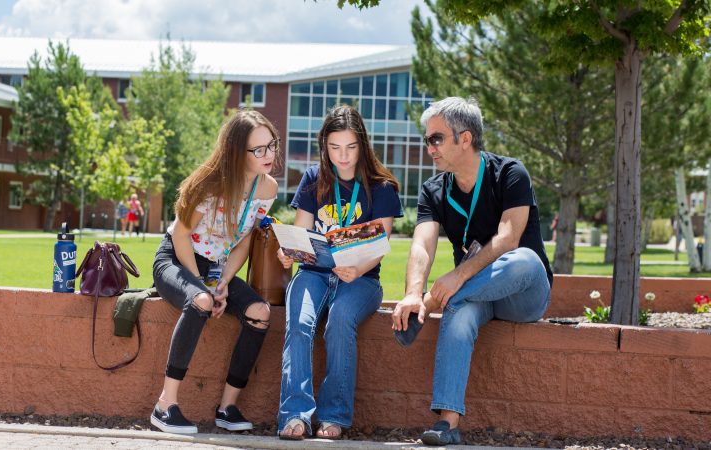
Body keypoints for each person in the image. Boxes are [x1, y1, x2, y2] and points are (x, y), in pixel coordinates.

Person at [391, 97, 553, 446]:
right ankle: (447, 424)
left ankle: (432, 307)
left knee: (524, 258)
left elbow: (509, 238)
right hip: (476, 294)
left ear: (465, 139)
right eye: (427, 139)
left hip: (521, 292)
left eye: (436, 138)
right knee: (460, 312)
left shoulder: (510, 173)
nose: (429, 147)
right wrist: (411, 293)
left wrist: (438, 292)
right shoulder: (434, 190)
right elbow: (422, 244)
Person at [276, 105, 403, 440]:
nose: (342, 157)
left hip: (361, 279)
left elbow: (380, 245)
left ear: (362, 144)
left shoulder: (382, 187)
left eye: (350, 147)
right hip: (314, 273)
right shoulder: (313, 179)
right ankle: (296, 415)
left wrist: (356, 268)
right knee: (300, 323)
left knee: (340, 320)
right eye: (334, 148)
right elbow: (301, 234)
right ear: (324, 147)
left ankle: (335, 416)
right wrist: (288, 252)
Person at [150, 110, 279, 434]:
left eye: (271, 145)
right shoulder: (209, 183)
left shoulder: (267, 189)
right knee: (201, 303)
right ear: (238, 152)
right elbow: (181, 235)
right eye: (259, 149)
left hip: (216, 265)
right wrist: (202, 286)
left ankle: (227, 407)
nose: (269, 155)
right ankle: (165, 405)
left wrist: (221, 282)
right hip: (177, 259)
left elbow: (245, 239)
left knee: (259, 312)